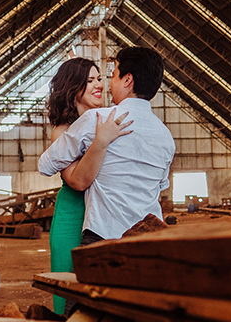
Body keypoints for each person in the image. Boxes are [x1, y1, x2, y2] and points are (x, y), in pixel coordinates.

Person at [39, 46, 175, 247]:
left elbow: (45, 165)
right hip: (147, 237)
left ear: (127, 80)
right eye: (90, 80)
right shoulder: (166, 136)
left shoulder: (97, 119)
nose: (105, 85)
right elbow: (161, 185)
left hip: (104, 233)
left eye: (110, 77)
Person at [43, 57, 133, 314]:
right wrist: (101, 141)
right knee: (68, 285)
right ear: (73, 89)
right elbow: (76, 181)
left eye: (100, 79)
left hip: (106, 212)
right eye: (90, 80)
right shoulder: (62, 131)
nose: (99, 85)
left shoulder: (109, 121)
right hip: (73, 214)